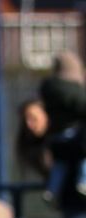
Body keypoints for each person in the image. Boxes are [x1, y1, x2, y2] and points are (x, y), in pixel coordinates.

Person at [39, 51, 86, 202]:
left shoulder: (48, 87)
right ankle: (83, 181)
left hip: (55, 135)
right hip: (73, 134)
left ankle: (52, 190)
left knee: (60, 164)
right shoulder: (70, 88)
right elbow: (81, 104)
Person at [15, 98, 52, 181]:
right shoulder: (28, 144)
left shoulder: (64, 139)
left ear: (46, 116)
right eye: (25, 120)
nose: (28, 125)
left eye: (33, 118)